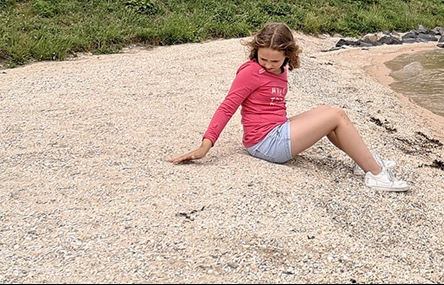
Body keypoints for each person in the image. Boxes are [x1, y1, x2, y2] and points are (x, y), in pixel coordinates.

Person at [170, 23, 409, 192]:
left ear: (288, 56)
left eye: (275, 61)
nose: (268, 65)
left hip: (277, 131)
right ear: (256, 52)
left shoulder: (282, 69)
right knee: (335, 115)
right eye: (263, 59)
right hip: (264, 143)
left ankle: (363, 162)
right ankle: (377, 175)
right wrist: (205, 145)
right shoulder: (251, 71)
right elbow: (227, 107)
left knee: (328, 112)